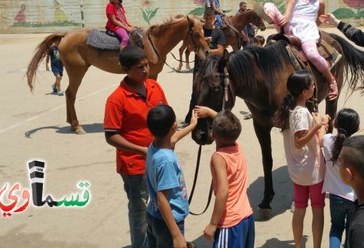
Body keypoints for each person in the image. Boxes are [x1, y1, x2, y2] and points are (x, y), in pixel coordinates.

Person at [103, 45, 168, 248]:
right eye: (140, 67)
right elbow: (111, 136)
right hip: (134, 166)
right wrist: (141, 150)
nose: (146, 70)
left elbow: (166, 117)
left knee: (161, 205)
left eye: (147, 65)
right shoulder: (116, 99)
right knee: (139, 210)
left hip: (159, 161)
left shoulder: (154, 87)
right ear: (126, 69)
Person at [261, 0, 338, 100]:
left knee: (312, 55)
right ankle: (272, 20)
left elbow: (318, 19)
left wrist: (320, 22)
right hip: (290, 24)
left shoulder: (320, 2)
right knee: (268, 5)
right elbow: (289, 9)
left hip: (307, 31)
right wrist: (285, 17)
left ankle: (331, 80)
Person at [273, 70, 328, 248]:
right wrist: (318, 125)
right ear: (304, 91)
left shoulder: (291, 110)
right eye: (311, 84)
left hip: (297, 170)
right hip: (311, 170)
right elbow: (299, 142)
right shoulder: (301, 113)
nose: (314, 86)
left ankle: (298, 245)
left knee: (300, 207)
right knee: (318, 209)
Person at [195, 108, 255, 248]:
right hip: (246, 216)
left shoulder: (219, 158)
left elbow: (223, 191)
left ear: (213, 135)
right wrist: (210, 112)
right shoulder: (236, 146)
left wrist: (213, 224)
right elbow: (230, 127)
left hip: (230, 223)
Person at [145, 104, 196, 248]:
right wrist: (176, 235)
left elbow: (174, 139)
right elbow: (162, 200)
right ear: (174, 126)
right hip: (168, 222)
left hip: (153, 215)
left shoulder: (154, 146)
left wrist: (192, 125)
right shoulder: (167, 160)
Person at [321, 108, 360, 248]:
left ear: (336, 124)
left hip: (335, 196)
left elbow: (321, 137)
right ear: (357, 127)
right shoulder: (357, 146)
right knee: (351, 230)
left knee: (336, 227)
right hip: (354, 197)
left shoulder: (327, 140)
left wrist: (323, 123)